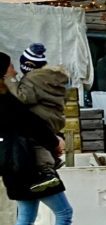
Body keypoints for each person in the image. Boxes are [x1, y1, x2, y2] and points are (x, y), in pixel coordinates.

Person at [2, 52, 98, 225]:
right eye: (11, 67)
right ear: (2, 72)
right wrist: (54, 141)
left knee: (25, 217)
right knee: (64, 211)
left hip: (12, 166)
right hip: (31, 166)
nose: (14, 71)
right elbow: (31, 124)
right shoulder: (7, 101)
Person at [5, 43, 69, 193]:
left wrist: (11, 81)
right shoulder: (52, 78)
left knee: (35, 139)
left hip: (42, 118)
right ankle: (54, 159)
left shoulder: (32, 79)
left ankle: (47, 171)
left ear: (27, 65)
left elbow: (23, 98)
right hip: (55, 117)